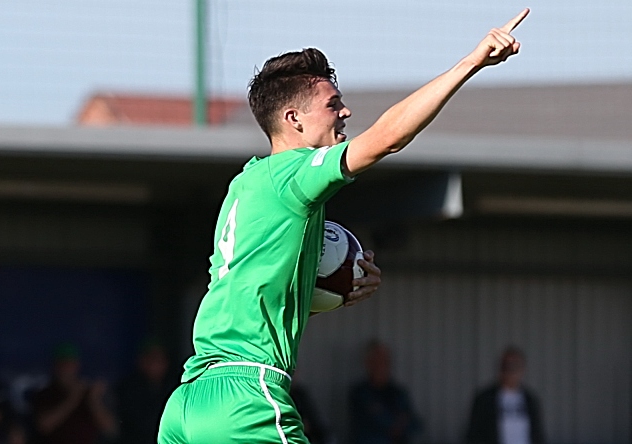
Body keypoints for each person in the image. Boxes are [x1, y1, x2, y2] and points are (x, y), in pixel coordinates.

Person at [158, 8, 530, 444]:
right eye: (333, 104)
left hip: (188, 401)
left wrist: (331, 291)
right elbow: (386, 138)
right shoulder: (293, 174)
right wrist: (471, 63)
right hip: (246, 399)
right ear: (294, 119)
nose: (346, 111)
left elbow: (249, 287)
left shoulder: (246, 184)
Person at [29, 343, 116, 444]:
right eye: (63, 363)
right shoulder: (45, 394)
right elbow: (44, 426)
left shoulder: (90, 392)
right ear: (55, 366)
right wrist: (73, 398)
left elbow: (110, 428)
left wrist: (94, 401)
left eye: (70, 363)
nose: (67, 368)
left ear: (77, 365)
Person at [465, 346, 545, 444]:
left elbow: (537, 433)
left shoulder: (530, 399)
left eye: (514, 366)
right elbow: (474, 433)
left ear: (523, 369)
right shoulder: (485, 399)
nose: (510, 372)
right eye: (505, 366)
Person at [349, 340, 421, 444]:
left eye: (385, 360)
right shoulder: (360, 392)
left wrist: (402, 424)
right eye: (377, 360)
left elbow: (416, 424)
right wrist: (399, 422)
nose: (382, 364)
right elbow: (377, 420)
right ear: (368, 363)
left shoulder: (399, 392)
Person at [115, 339, 178, 444]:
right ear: (142, 361)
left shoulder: (173, 387)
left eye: (161, 359)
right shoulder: (129, 389)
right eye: (153, 359)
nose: (157, 364)